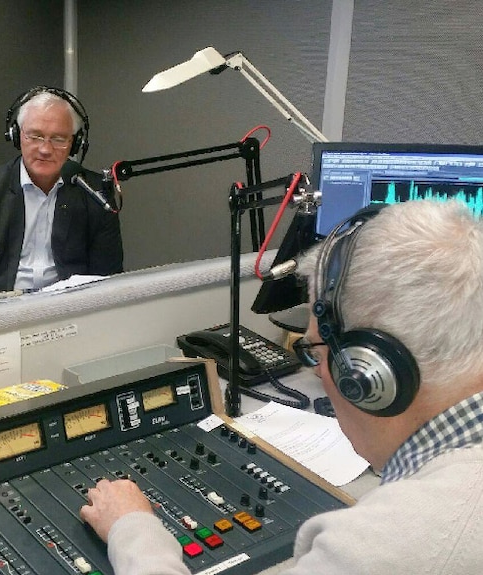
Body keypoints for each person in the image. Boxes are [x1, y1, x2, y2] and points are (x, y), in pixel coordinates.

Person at [80, 199, 483, 574]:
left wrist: (131, 529)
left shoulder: (382, 549)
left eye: (316, 352)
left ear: (367, 374)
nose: (318, 370)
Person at [0, 86, 123, 302]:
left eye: (58, 139)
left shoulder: (94, 192)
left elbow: (108, 277)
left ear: (75, 144)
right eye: (35, 136)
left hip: (72, 311)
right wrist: (0, 315)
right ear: (16, 135)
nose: (45, 149)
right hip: (2, 312)